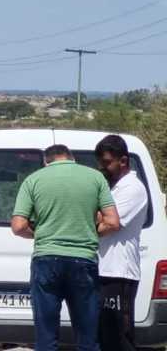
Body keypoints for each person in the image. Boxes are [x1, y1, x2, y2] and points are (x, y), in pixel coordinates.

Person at [11, 144, 121, 351]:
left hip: (46, 260)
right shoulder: (95, 178)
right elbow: (113, 222)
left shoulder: (33, 180)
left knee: (46, 338)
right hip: (83, 260)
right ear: (73, 159)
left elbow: (18, 226)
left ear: (46, 162)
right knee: (88, 338)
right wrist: (88, 231)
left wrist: (40, 234)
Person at [96, 135, 149, 351]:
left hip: (120, 273)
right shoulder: (111, 187)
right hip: (102, 269)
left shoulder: (132, 188)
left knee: (120, 337)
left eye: (107, 162)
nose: (103, 168)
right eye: (100, 163)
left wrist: (94, 218)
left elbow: (111, 224)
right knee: (104, 335)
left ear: (123, 161)